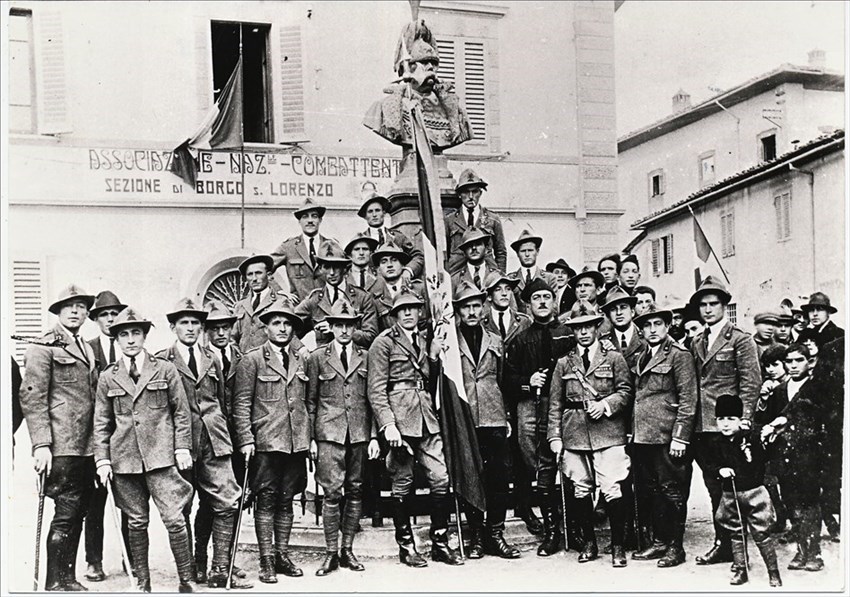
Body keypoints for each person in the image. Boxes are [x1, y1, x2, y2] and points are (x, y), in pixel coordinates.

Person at [92, 307, 196, 593]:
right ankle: (143, 583)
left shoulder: (165, 368)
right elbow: (101, 423)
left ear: (145, 335)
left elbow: (181, 413)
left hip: (161, 459)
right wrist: (102, 460)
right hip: (125, 461)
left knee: (175, 520)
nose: (130, 340)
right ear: (116, 339)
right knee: (136, 523)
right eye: (123, 334)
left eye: (136, 333)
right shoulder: (108, 376)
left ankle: (186, 581)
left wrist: (182, 448)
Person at [158, 299, 252, 589]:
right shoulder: (162, 360)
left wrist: (238, 440)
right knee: (182, 508)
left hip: (214, 441)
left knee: (227, 501)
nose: (190, 328)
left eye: (195, 323)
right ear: (173, 327)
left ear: (202, 328)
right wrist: (174, 445)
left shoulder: (212, 359)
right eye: (184, 323)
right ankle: (192, 569)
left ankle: (220, 570)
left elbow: (223, 402)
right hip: (180, 445)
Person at [367, 290, 463, 568]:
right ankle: (407, 546)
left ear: (421, 313)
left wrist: (432, 357)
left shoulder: (424, 340)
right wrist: (388, 426)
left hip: (426, 417)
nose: (409, 313)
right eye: (403, 310)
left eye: (414, 309)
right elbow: (375, 390)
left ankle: (440, 542)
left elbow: (431, 381)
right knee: (403, 482)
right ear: (395, 315)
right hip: (399, 420)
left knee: (440, 478)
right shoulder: (383, 343)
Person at [20, 285, 99, 592]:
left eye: (81, 306)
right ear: (57, 312)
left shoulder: (85, 347)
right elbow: (32, 397)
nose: (76, 311)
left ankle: (68, 576)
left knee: (78, 511)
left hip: (86, 446)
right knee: (66, 513)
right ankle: (55, 580)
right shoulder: (43, 347)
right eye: (69, 306)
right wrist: (41, 444)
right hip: (61, 445)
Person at [547, 300, 633, 567]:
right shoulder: (564, 363)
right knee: (581, 490)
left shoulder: (614, 358)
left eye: (587, 326)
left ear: (597, 327)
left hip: (608, 432)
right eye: (577, 328)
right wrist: (555, 436)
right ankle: (589, 543)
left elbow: (626, 391)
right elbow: (555, 403)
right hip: (574, 433)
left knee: (612, 488)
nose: (583, 332)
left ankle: (618, 546)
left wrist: (606, 405)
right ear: (572, 332)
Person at [232, 298, 311, 584]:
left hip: (295, 442)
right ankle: (266, 560)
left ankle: (282, 554)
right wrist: (245, 439)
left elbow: (307, 402)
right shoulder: (252, 359)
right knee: (265, 500)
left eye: (287, 323)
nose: (281, 328)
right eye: (276, 323)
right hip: (265, 443)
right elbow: (241, 404)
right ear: (266, 327)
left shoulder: (303, 359)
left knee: (287, 499)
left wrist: (308, 439)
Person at [689, 276, 761, 566]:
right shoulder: (697, 341)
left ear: (724, 305)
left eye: (713, 304)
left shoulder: (740, 340)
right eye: (703, 305)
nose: (707, 310)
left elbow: (751, 383)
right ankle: (724, 544)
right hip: (703, 428)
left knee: (733, 491)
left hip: (728, 428)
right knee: (713, 489)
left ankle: (736, 549)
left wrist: (743, 422)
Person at [306, 300, 379, 576]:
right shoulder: (316, 358)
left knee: (356, 490)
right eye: (339, 325)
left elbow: (373, 399)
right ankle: (330, 553)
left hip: (359, 433)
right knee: (332, 493)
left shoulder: (367, 356)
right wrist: (312, 438)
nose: (344, 330)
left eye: (349, 325)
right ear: (332, 327)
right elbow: (310, 401)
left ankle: (347, 549)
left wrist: (373, 437)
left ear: (355, 326)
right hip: (329, 435)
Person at [503, 279, 575, 557]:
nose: (542, 302)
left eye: (547, 296)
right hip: (529, 406)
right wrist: (527, 381)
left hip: (563, 406)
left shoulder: (568, 334)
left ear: (554, 301)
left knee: (566, 461)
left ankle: (568, 528)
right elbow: (507, 379)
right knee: (534, 458)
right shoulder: (520, 340)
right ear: (528, 304)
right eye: (536, 298)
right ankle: (551, 527)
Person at [453, 281, 521, 560]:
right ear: (458, 309)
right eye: (466, 306)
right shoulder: (449, 341)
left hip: (493, 416)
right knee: (471, 477)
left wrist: (505, 415)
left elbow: (502, 380)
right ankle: (477, 536)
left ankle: (496, 534)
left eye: (475, 305)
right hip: (465, 417)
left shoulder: (495, 340)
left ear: (483, 308)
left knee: (499, 477)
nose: (471, 311)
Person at [629, 304, 697, 568]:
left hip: (668, 436)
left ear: (667, 326)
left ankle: (675, 547)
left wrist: (680, 437)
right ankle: (659, 542)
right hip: (644, 438)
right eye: (647, 325)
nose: (652, 330)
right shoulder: (642, 356)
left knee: (673, 492)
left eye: (658, 324)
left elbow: (688, 398)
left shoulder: (679, 355)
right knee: (652, 492)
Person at [480, 272, 539, 535]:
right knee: (495, 457)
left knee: (521, 450)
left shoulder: (524, 322)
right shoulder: (480, 322)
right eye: (498, 289)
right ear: (489, 295)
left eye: (508, 289)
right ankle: (491, 512)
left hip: (519, 392)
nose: (504, 293)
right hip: (490, 396)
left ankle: (524, 506)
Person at [761, 344, 825, 572]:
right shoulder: (779, 390)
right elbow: (767, 418)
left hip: (809, 456)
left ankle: (814, 553)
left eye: (799, 360)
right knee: (792, 503)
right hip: (784, 456)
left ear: (810, 362)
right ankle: (801, 551)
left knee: (810, 503)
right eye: (789, 361)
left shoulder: (818, 388)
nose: (794, 365)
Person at [200, 300, 250, 582]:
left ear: (233, 329)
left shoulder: (241, 356)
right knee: (209, 503)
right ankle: (201, 560)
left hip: (237, 437)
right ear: (207, 331)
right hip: (211, 438)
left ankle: (227, 559)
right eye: (215, 328)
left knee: (234, 500)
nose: (221, 333)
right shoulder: (203, 357)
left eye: (226, 327)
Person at [714, 394, 781, 587]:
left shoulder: (751, 438)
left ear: (740, 420)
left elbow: (767, 452)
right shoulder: (716, 442)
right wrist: (720, 470)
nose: (725, 424)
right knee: (736, 532)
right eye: (721, 419)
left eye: (731, 419)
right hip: (730, 494)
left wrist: (757, 434)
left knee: (762, 532)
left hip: (755, 494)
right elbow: (711, 464)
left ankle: (773, 572)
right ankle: (741, 570)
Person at [84, 290, 128, 582]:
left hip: (126, 439)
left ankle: (131, 557)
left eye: (114, 314)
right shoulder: (87, 349)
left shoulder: (130, 347)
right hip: (97, 438)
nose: (110, 319)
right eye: (104, 315)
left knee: (130, 502)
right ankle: (94, 561)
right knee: (95, 503)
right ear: (96, 319)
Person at [294, 243, 378, 349]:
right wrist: (301, 349)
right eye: (327, 267)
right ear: (320, 269)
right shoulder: (314, 300)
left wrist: (337, 329)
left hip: (355, 359)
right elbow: (287, 326)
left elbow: (371, 336)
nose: (332, 273)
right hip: (324, 361)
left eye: (336, 267)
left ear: (344, 268)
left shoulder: (363, 297)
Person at [271, 197, 340, 302]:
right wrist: (280, 292)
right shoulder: (289, 247)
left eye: (314, 216)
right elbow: (264, 268)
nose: (310, 220)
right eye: (305, 217)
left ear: (320, 220)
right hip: (299, 310)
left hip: (328, 309)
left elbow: (346, 272)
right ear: (299, 221)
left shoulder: (332, 246)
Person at [755, 344, 790, 536]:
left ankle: (794, 523)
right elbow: (761, 417)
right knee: (770, 481)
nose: (771, 370)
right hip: (771, 442)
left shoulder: (792, 384)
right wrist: (764, 398)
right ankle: (781, 518)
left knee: (788, 484)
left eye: (775, 365)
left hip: (787, 440)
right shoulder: (767, 385)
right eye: (767, 366)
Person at [445, 169, 507, 274]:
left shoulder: (492, 219)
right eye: (465, 192)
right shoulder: (449, 220)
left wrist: (499, 277)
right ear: (459, 194)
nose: (470, 196)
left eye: (474, 191)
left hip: (487, 275)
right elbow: (444, 254)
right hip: (459, 275)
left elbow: (501, 253)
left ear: (480, 193)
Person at [358, 189, 423, 280]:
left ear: (384, 213)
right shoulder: (361, 241)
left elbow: (418, 256)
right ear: (365, 216)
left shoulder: (398, 237)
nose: (374, 215)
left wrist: (408, 271)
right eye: (370, 211)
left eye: (377, 210)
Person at [232, 254, 289, 353]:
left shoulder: (281, 302)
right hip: (245, 364)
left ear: (269, 276)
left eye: (258, 273)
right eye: (250, 274)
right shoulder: (240, 306)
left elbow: (290, 335)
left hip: (270, 364)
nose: (254, 278)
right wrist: (238, 359)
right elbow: (232, 338)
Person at [370, 242, 426, 332]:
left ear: (403, 265)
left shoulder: (420, 289)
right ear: (378, 269)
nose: (389, 265)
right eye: (384, 262)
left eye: (394, 260)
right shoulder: (374, 298)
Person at [508, 230, 555, 314]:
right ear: (517, 254)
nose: (527, 254)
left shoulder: (549, 278)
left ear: (537, 251)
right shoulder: (510, 279)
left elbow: (554, 307)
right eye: (523, 251)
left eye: (530, 250)